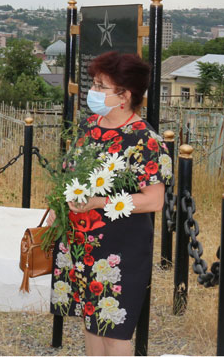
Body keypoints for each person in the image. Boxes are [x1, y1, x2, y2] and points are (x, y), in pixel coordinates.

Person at [47, 51, 172, 355]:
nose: (94, 91)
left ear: (124, 95)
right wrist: (57, 206)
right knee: (90, 322)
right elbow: (70, 175)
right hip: (78, 241)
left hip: (119, 249)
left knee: (115, 329)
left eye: (102, 86)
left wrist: (99, 202)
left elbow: (154, 201)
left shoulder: (147, 141)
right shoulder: (89, 126)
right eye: (95, 83)